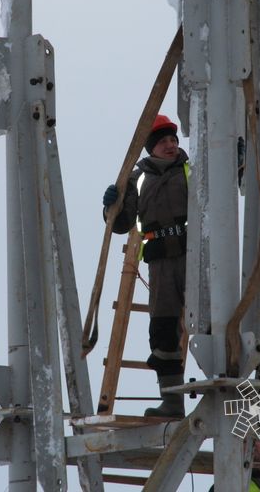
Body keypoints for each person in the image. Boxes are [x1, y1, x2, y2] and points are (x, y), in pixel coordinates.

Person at [102, 114, 188, 418]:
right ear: (151, 147)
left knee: (211, 322)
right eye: (163, 141)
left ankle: (229, 389)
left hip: (194, 256)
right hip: (160, 262)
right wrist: (110, 205)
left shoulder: (191, 170)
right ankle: (173, 403)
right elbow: (121, 224)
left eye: (173, 139)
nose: (171, 145)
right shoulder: (137, 178)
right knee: (163, 329)